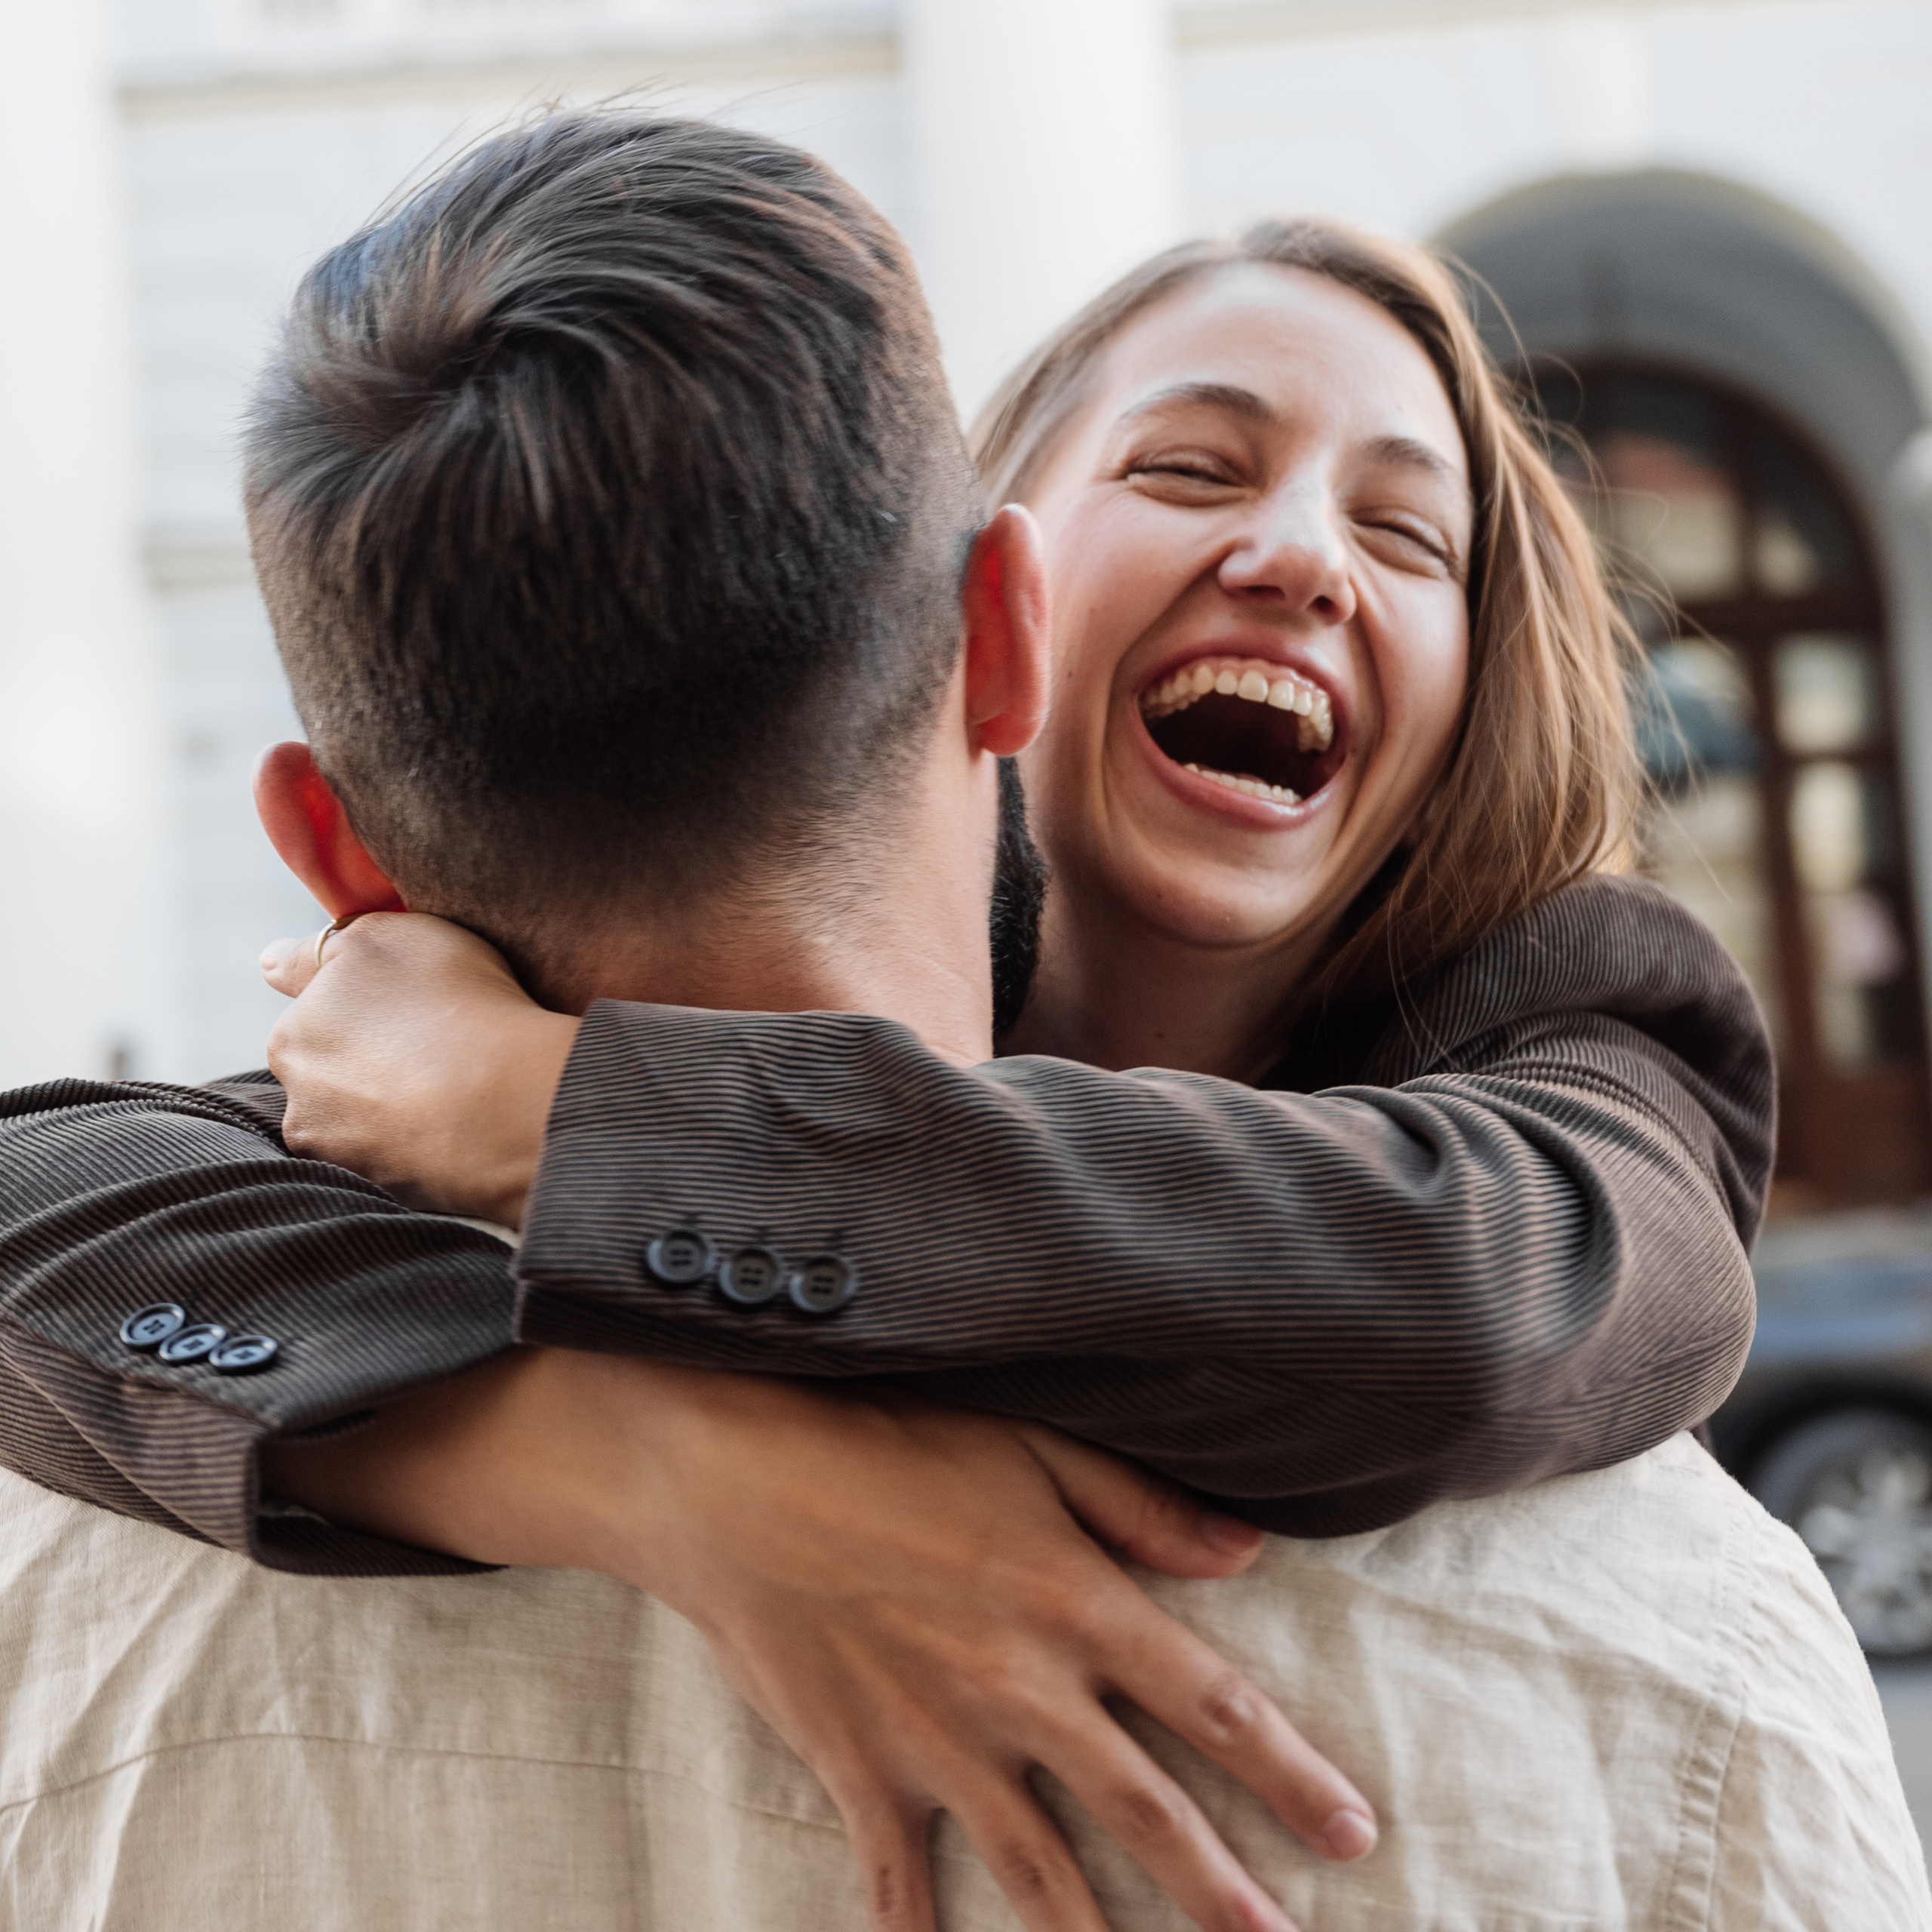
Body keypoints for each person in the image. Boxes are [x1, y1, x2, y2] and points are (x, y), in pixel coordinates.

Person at [0, 105, 1847, 1927]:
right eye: (1190, 469)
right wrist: (647, 1465)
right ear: (994, 607)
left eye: (1407, 532)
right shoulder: (518, 1057)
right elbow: (39, 1193)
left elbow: (1484, 1285)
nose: (1301, 553)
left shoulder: (1585, 1013)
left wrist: (576, 1102)